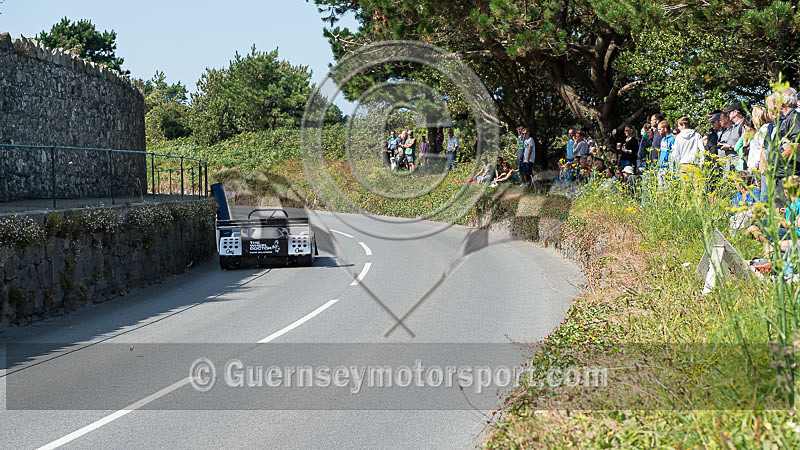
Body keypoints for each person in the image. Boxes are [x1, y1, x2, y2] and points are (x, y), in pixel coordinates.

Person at [657, 120, 675, 187]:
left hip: (668, 167)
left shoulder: (672, 139)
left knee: (667, 187)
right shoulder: (663, 139)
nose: (658, 131)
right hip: (661, 166)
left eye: (660, 129)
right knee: (660, 188)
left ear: (665, 129)